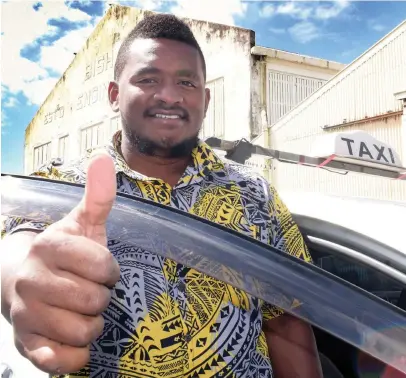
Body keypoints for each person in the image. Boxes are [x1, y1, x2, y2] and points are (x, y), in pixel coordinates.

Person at [1, 14, 323, 378]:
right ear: (114, 95)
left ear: (205, 98)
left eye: (185, 82)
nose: (169, 95)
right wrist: (18, 283)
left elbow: (287, 323)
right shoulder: (60, 186)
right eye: (148, 79)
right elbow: (17, 248)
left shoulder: (256, 196)